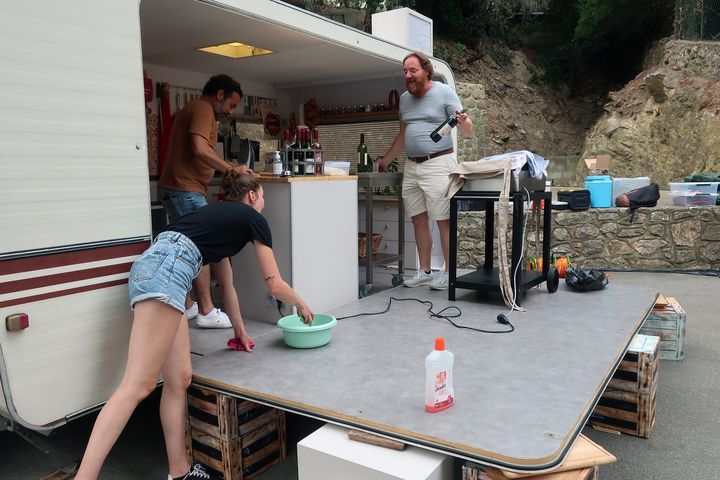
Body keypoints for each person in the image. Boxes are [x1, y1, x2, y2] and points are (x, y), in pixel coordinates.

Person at [74, 171, 313, 480]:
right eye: (263, 196)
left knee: (179, 378)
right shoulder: (252, 219)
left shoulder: (218, 217)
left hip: (159, 266)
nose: (263, 203)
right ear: (252, 196)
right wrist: (302, 303)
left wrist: (240, 332)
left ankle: (180, 471)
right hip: (167, 271)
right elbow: (273, 283)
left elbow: (227, 287)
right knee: (138, 385)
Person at [158, 73, 249, 328]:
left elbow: (199, 150)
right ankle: (207, 311)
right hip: (184, 189)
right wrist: (231, 168)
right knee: (203, 246)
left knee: (186, 246)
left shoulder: (191, 109)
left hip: (181, 188)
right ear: (219, 95)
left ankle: (188, 305)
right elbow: (199, 148)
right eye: (231, 104)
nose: (230, 111)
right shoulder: (202, 108)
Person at [378, 51, 473, 290]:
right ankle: (425, 271)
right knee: (418, 220)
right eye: (405, 71)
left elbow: (466, 127)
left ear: (426, 71)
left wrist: (464, 123)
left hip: (439, 164)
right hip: (412, 165)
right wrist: (386, 160)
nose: (408, 75)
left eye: (413, 70)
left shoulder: (444, 92)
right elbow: (403, 134)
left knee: (443, 220)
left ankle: (448, 273)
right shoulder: (404, 99)